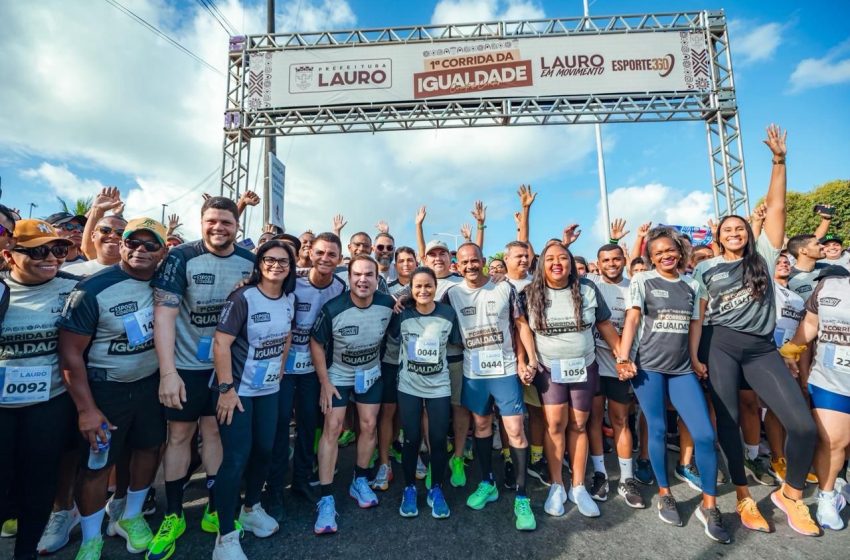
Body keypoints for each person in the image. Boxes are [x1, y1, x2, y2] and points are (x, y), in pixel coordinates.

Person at [692, 124, 820, 536]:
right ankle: (743, 495)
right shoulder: (705, 269)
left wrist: (779, 162)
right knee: (728, 423)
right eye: (727, 229)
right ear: (717, 237)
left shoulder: (763, 256)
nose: (734, 233)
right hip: (720, 346)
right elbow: (696, 317)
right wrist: (694, 356)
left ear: (750, 234)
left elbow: (777, 208)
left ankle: (791, 496)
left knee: (802, 425)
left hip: (762, 349)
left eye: (740, 228)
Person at [147, 197, 255, 560]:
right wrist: (168, 372)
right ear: (202, 222)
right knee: (179, 435)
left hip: (224, 367)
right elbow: (163, 316)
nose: (218, 228)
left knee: (213, 432)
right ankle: (174, 514)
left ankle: (213, 506)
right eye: (212, 221)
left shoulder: (249, 260)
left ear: (237, 226)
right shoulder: (182, 257)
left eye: (226, 222)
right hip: (186, 366)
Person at [59, 218, 168, 560]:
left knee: (149, 450)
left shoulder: (167, 283)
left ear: (162, 252)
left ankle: (130, 516)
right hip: (105, 389)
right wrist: (86, 409)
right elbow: (70, 353)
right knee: (96, 465)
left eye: (150, 245)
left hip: (150, 385)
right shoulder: (92, 288)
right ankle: (91, 539)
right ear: (121, 245)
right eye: (133, 242)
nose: (140, 250)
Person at [619, 227, 730, 543]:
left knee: (705, 435)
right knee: (655, 429)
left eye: (670, 250)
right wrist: (624, 357)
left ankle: (709, 506)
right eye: (658, 253)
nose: (665, 256)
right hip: (648, 368)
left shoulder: (693, 285)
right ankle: (665, 494)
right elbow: (632, 320)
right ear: (651, 258)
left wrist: (694, 359)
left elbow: (695, 325)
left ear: (680, 252)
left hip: (682, 370)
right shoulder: (642, 280)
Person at [521, 241, 623, 519]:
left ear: (571, 264)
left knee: (578, 424)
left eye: (563, 258)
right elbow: (522, 329)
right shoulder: (529, 293)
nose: (557, 263)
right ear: (541, 265)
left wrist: (622, 357)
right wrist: (527, 360)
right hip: (549, 370)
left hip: (583, 367)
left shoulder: (587, 289)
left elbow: (604, 324)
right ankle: (557, 486)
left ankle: (578, 486)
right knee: (555, 424)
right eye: (550, 259)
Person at [211, 240, 297, 559]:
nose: (276, 265)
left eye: (283, 261)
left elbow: (286, 336)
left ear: (291, 267)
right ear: (259, 263)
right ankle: (225, 537)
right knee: (236, 458)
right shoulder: (243, 297)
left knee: (265, 450)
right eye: (269, 259)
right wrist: (226, 389)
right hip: (237, 391)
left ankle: (251, 508)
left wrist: (280, 369)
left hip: (268, 390)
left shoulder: (289, 299)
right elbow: (221, 344)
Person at [0, 219, 78, 560]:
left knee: (40, 483)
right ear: (9, 255)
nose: (50, 258)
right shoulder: (1, 289)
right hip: (2, 409)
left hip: (50, 404)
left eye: (58, 249)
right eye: (37, 252)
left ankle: (26, 553)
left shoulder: (74, 287)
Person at [444, 243, 537, 531]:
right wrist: (403, 300)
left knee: (515, 430)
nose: (470, 266)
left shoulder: (504, 287)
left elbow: (521, 324)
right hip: (474, 373)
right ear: (457, 266)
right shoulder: (452, 293)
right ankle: (488, 482)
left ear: (483, 260)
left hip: (505, 370)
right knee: (482, 427)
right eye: (464, 262)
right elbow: (427, 307)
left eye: (474, 260)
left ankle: (522, 497)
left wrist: (529, 359)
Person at [312, 255, 395, 535]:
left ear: (377, 279)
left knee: (369, 425)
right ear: (348, 278)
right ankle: (326, 497)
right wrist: (324, 382)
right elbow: (316, 342)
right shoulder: (333, 308)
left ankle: (359, 480)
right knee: (333, 428)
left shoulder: (388, 303)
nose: (363, 279)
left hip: (370, 372)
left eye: (369, 274)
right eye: (357, 274)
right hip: (338, 375)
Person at [265, 233, 346, 517]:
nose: (325, 258)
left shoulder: (340, 287)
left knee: (309, 425)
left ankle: (301, 480)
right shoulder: (293, 281)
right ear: (310, 253)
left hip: (314, 369)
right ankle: (274, 489)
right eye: (320, 252)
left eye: (332, 254)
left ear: (339, 259)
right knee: (279, 427)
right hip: (284, 368)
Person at [389, 267, 462, 518]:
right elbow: (391, 334)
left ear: (435, 287)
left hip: (438, 386)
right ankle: (409, 488)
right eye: (418, 286)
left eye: (428, 285)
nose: (423, 290)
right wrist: (398, 303)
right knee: (411, 439)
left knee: (438, 439)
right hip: (408, 385)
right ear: (411, 289)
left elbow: (456, 341)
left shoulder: (447, 313)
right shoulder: (402, 313)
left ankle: (436, 488)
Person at [781, 267, 850, 530]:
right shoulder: (829, 284)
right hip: (831, 379)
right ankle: (827, 496)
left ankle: (840, 482)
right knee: (833, 440)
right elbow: (811, 323)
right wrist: (792, 349)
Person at [586, 242, 644, 508]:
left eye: (616, 259)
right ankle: (600, 474)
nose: (611, 264)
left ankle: (626, 478)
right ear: (598, 263)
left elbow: (634, 322)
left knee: (621, 419)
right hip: (595, 362)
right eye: (606, 260)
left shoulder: (635, 286)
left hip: (622, 364)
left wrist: (623, 358)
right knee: (595, 419)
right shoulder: (591, 285)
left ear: (624, 260)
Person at [503, 240, 547, 487]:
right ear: (506, 259)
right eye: (517, 256)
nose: (523, 259)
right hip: (504, 359)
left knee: (536, 409)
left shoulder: (538, 285)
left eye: (526, 256)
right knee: (507, 414)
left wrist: (529, 360)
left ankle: (537, 457)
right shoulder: (497, 286)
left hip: (536, 358)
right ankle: (509, 458)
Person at [786, 234, 827, 301]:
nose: (823, 246)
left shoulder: (828, 269)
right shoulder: (788, 277)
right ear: (803, 250)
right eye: (817, 244)